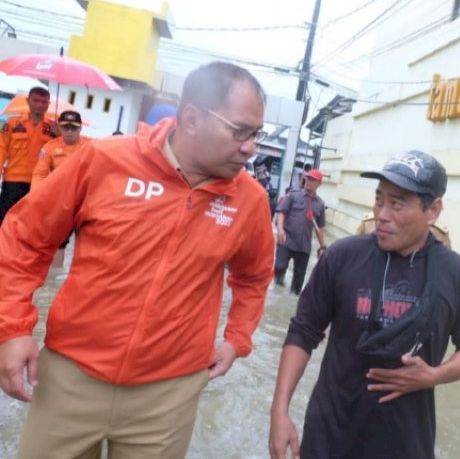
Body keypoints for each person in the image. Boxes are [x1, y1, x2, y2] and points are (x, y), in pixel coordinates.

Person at [0, 61, 275, 458]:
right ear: (192, 118)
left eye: (257, 134)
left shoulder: (250, 201)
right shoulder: (105, 161)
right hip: (69, 378)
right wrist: (12, 328)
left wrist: (237, 339)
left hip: (168, 397)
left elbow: (254, 277)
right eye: (240, 132)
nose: (251, 148)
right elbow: (24, 237)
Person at [269, 150, 460, 459]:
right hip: (329, 436)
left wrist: (433, 375)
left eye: (397, 203)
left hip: (404, 443)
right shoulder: (341, 257)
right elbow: (303, 332)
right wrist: (279, 412)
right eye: (379, 199)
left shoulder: (455, 274)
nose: (382, 214)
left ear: (433, 210)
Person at [31, 110, 93, 267]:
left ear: (80, 129)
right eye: (66, 127)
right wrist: (37, 199)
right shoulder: (50, 148)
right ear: (59, 127)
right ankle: (54, 280)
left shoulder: (92, 147)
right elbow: (39, 175)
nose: (70, 131)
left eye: (74, 127)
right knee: (59, 244)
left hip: (85, 203)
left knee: (87, 245)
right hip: (60, 203)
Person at [0, 86, 58, 227]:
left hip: (39, 183)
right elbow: (1, 149)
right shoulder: (12, 123)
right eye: (35, 100)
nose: (39, 105)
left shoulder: (53, 128)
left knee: (30, 224)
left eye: (44, 102)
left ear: (48, 104)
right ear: (28, 101)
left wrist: (59, 135)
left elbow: (60, 154)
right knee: (5, 221)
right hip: (13, 180)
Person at [274, 169, 326, 294]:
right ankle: (278, 286)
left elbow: (320, 228)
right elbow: (282, 212)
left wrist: (322, 246)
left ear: (319, 184)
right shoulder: (293, 195)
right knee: (279, 267)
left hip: (304, 247)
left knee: (297, 285)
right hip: (286, 240)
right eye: (307, 178)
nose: (308, 181)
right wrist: (280, 229)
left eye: (312, 180)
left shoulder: (320, 204)